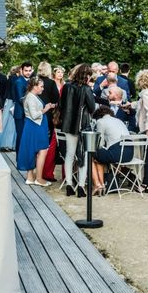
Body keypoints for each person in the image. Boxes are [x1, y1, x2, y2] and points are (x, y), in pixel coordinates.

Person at [60, 63, 96, 197]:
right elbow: (92, 107)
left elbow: (62, 105)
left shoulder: (66, 86)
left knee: (69, 154)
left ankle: (69, 184)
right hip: (82, 124)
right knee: (83, 155)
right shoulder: (86, 89)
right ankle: (81, 185)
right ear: (86, 76)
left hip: (69, 124)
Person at [17, 76, 56, 186]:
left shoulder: (31, 96)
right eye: (41, 86)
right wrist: (46, 109)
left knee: (32, 151)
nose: (43, 89)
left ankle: (30, 177)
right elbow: (34, 115)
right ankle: (39, 179)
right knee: (42, 151)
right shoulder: (30, 97)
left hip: (34, 126)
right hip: (35, 126)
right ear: (34, 86)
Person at [91, 106, 132, 196]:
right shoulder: (119, 121)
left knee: (90, 154)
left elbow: (99, 144)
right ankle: (101, 185)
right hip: (129, 153)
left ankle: (98, 185)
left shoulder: (100, 122)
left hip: (117, 153)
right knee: (99, 156)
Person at [37, 61, 60, 182]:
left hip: (34, 114)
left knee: (36, 142)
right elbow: (56, 99)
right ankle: (44, 171)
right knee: (46, 144)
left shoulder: (34, 81)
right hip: (47, 114)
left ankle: (36, 170)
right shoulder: (51, 83)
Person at [0, 65, 20, 151]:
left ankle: (5, 143)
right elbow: (14, 91)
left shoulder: (10, 78)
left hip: (8, 101)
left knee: (6, 122)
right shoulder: (14, 79)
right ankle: (8, 144)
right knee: (10, 124)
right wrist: (15, 101)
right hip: (12, 102)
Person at [13, 62, 33, 151]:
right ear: (21, 70)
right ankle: (19, 159)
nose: (28, 72)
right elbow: (21, 99)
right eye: (26, 70)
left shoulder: (31, 81)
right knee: (21, 137)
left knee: (26, 137)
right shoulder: (19, 82)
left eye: (29, 70)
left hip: (27, 113)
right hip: (20, 114)